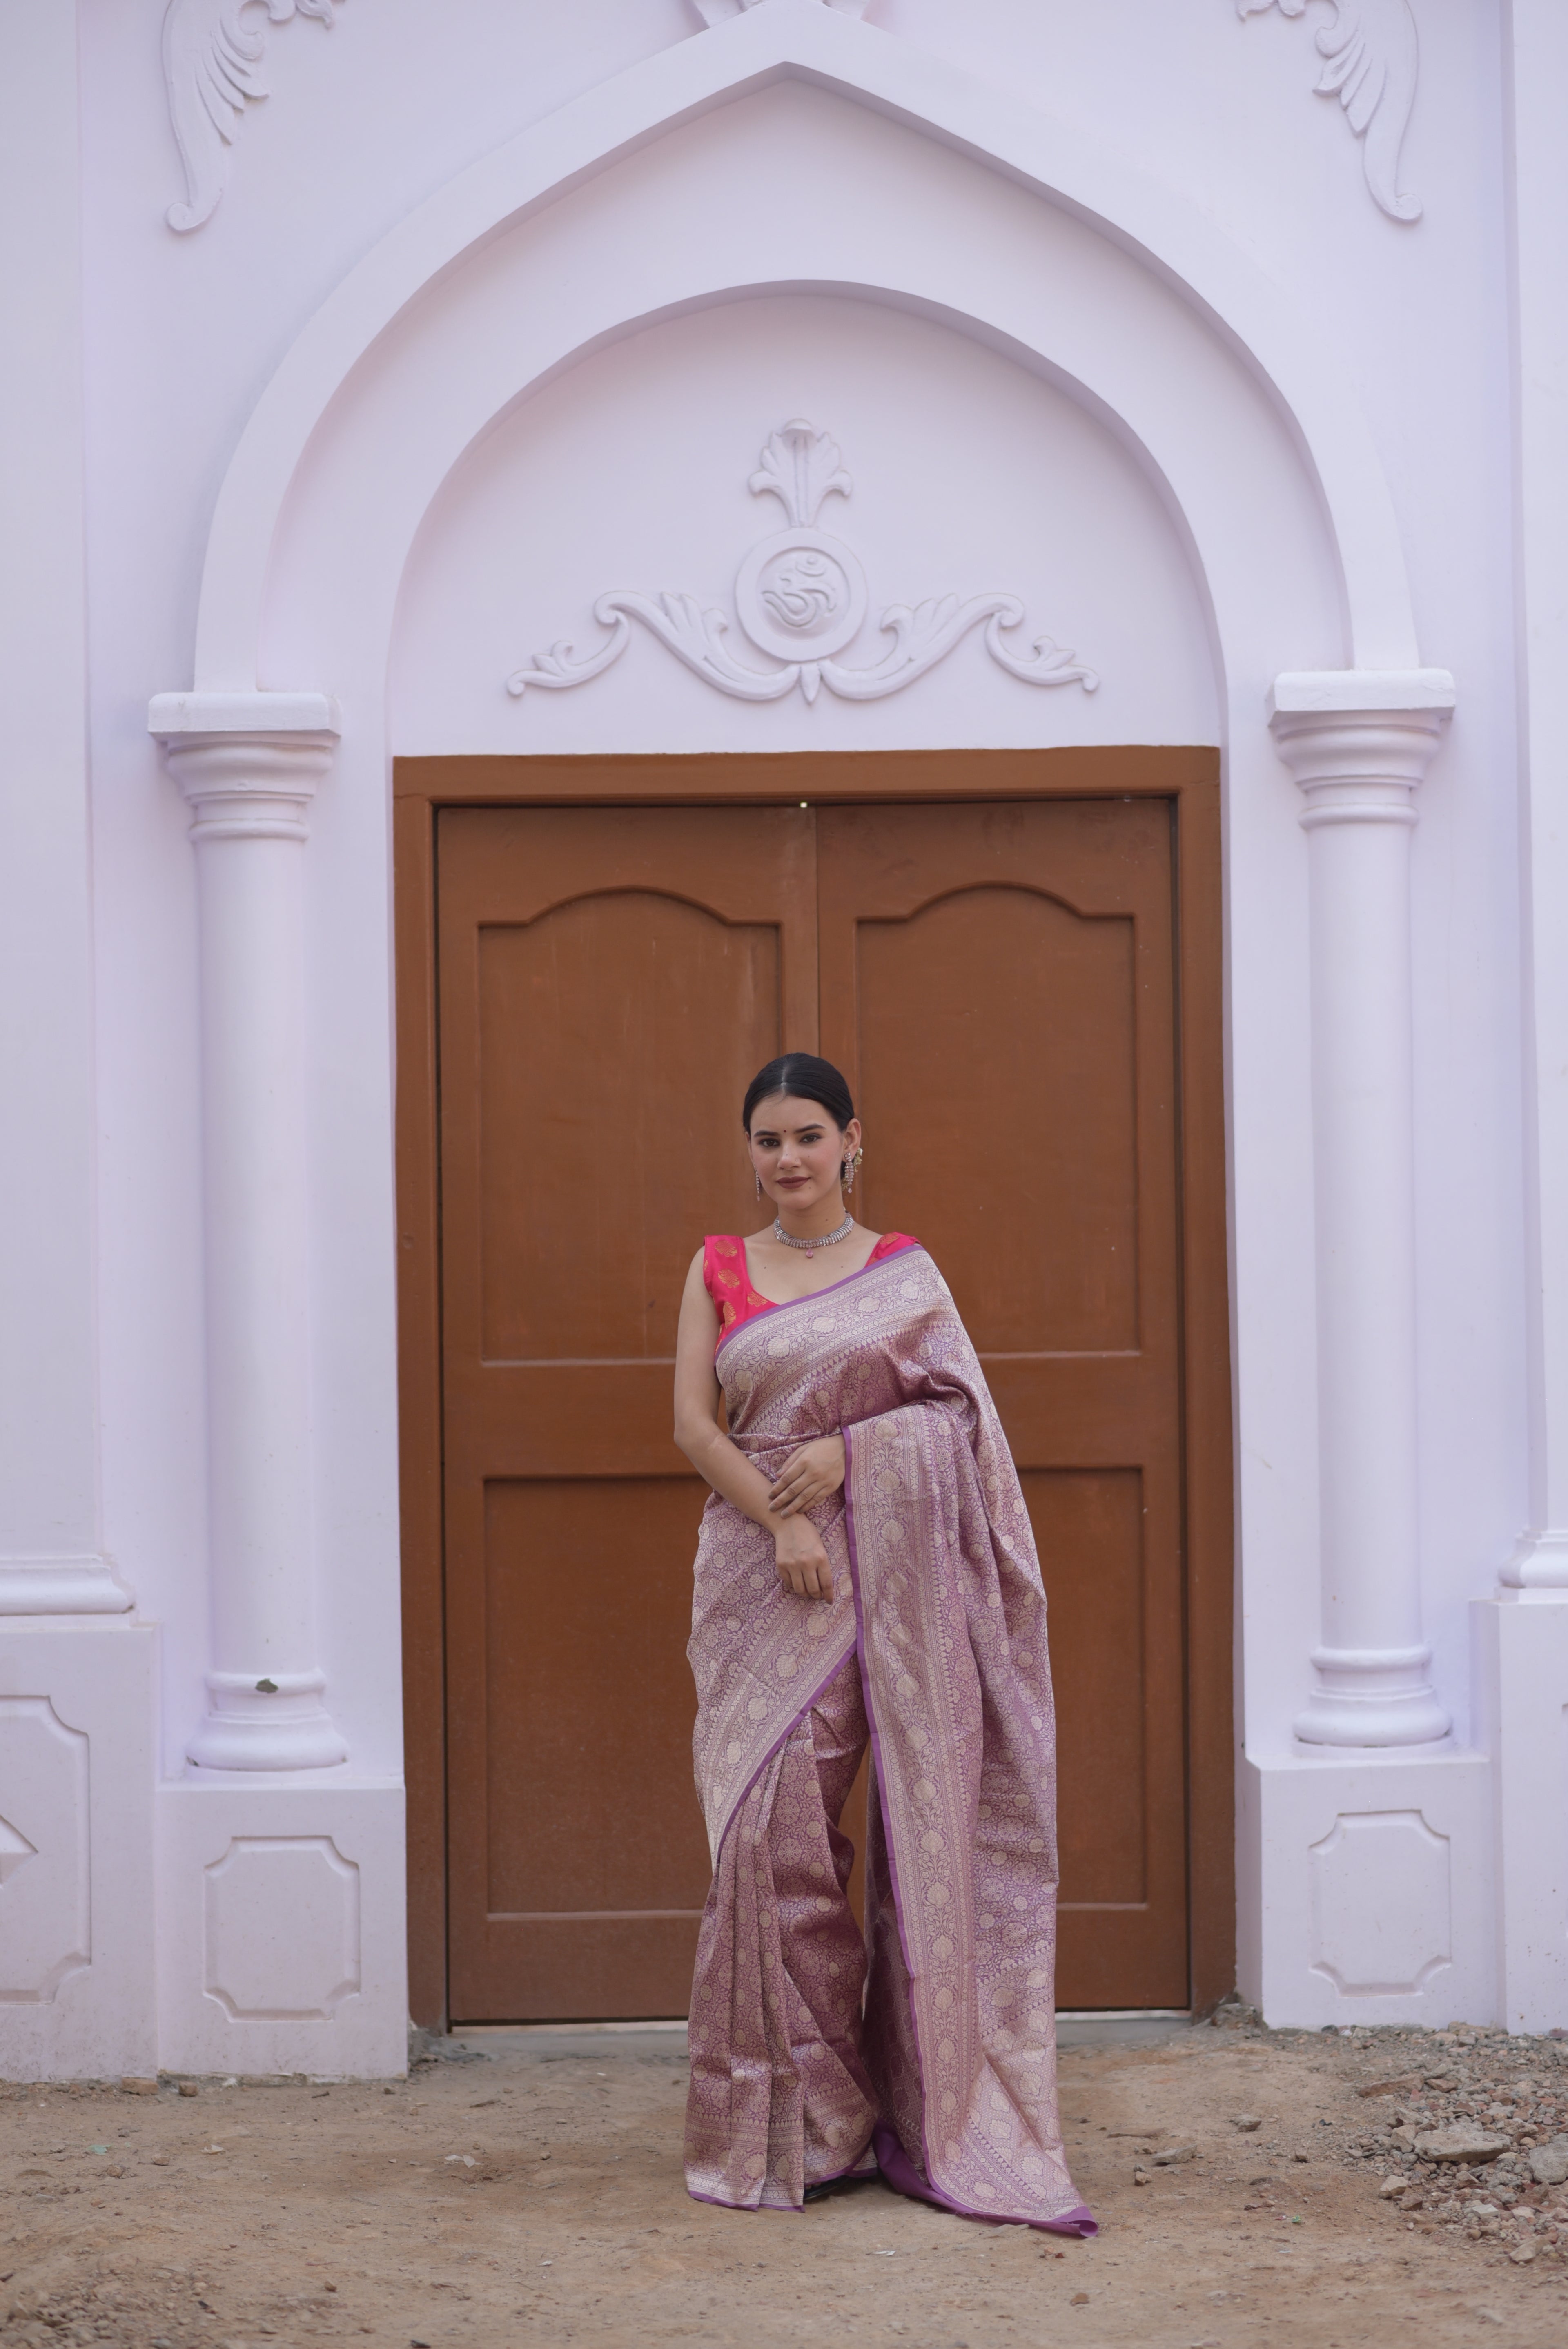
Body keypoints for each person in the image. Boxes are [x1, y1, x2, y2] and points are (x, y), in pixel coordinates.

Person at [673, 1052, 1094, 2235]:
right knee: (768, 1845)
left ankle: (894, 2106)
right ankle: (807, 2122)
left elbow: (963, 1422)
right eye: (768, 1140)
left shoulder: (905, 1275)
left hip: (888, 1581)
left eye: (809, 1136)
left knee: (892, 1825)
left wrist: (855, 1456)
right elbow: (693, 1425)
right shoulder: (718, 1267)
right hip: (761, 1573)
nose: (788, 1160)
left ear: (852, 1140)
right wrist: (785, 1520)